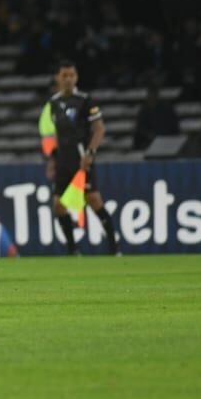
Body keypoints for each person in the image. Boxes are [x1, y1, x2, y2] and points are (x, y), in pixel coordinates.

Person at [45, 60, 121, 256]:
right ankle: (73, 250)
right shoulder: (53, 104)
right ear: (58, 78)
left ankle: (114, 247)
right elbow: (50, 135)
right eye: (65, 76)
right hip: (63, 161)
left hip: (82, 159)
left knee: (93, 199)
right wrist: (52, 161)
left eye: (72, 75)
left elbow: (99, 129)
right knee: (59, 205)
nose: (68, 79)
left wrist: (90, 153)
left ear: (76, 77)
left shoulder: (86, 100)